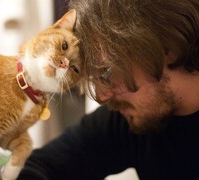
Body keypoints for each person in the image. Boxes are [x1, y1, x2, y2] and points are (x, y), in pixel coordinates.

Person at [17, 0, 199, 179]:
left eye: (106, 72)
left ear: (167, 49)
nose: (101, 96)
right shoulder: (131, 118)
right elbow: (40, 166)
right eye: (92, 78)